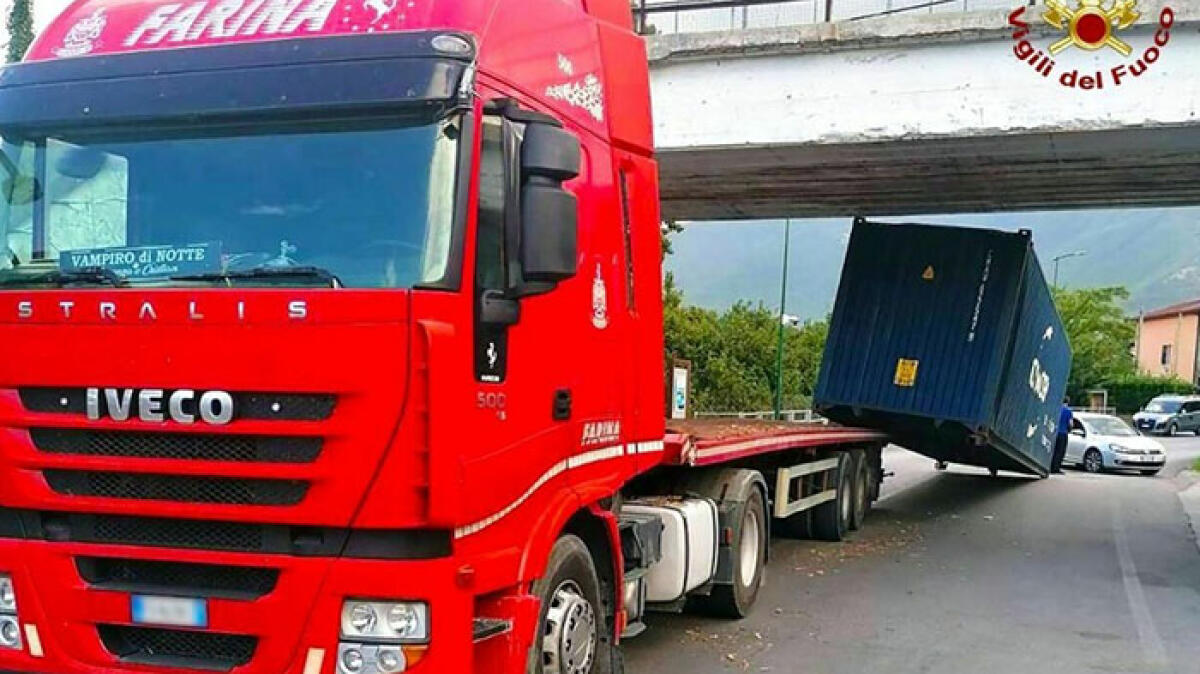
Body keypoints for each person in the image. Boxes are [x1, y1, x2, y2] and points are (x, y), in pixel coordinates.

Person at [1051, 397, 1072, 474]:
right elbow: (1070, 423)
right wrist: (1069, 429)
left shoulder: (1056, 409)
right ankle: (1056, 468)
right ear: (1068, 402)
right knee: (1060, 451)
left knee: (1054, 450)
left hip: (1054, 432)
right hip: (1063, 433)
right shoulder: (1068, 411)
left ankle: (1051, 466)